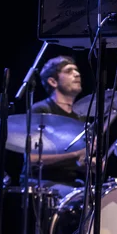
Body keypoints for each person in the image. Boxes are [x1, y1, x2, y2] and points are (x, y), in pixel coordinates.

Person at [28, 56, 88, 198]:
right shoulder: (42, 111)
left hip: (72, 183)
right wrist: (75, 154)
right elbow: (32, 158)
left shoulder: (80, 116)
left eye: (77, 70)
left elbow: (81, 163)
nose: (77, 74)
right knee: (82, 199)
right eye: (69, 71)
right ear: (53, 81)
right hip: (42, 182)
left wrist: (91, 163)